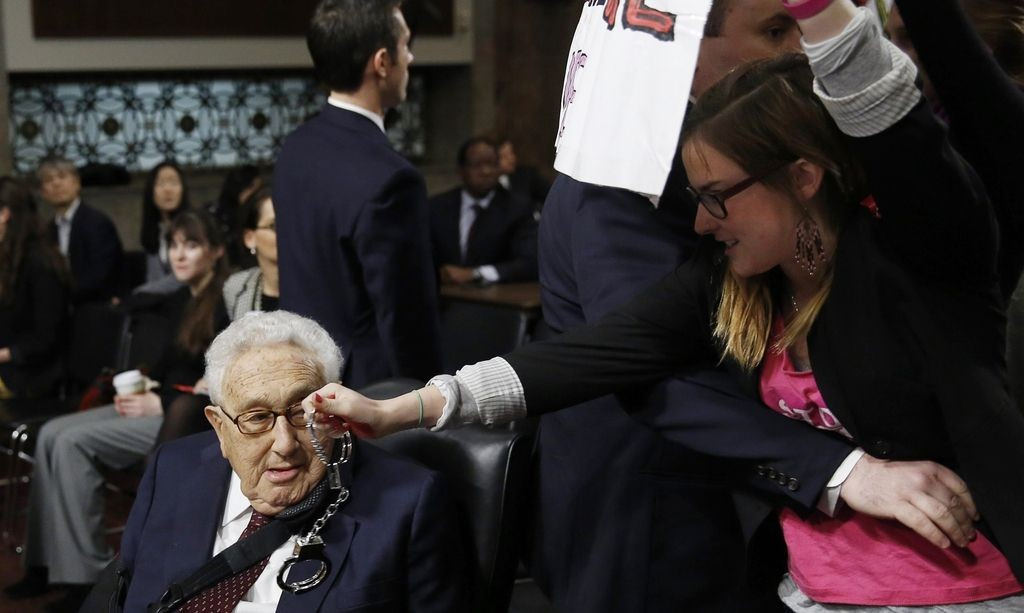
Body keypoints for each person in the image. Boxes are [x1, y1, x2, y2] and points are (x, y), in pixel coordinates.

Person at [306, 1, 1024, 609]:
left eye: (717, 198)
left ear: (802, 177)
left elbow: (904, 122)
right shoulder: (739, 275)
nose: (702, 223)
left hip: (950, 591)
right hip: (806, 587)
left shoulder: (925, 251)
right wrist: (405, 409)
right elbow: (589, 356)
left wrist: (828, 15)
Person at [532, 1, 838, 609]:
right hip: (658, 511)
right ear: (687, 49)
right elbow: (644, 365)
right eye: (775, 31)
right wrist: (834, 467)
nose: (799, 49)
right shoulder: (625, 173)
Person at [113, 310, 467, 612]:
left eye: (303, 412)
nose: (284, 444)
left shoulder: (407, 505)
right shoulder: (172, 469)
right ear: (220, 427)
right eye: (256, 418)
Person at [7, 210, 229, 610]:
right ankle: (42, 565)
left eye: (192, 245)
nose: (179, 255)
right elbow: (168, 366)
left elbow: (209, 386)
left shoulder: (225, 301)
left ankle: (86, 579)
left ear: (215, 251)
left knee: (70, 442)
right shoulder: (183, 297)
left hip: (185, 416)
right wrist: (147, 386)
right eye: (174, 245)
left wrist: (159, 399)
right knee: (51, 434)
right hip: (159, 402)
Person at [274, 0, 442, 389]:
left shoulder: (296, 148)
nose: (410, 57)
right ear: (382, 62)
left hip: (301, 379)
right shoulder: (393, 179)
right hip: (370, 392)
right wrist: (431, 400)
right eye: (405, 45)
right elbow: (406, 320)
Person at [429, 136, 538, 285]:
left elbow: (529, 263)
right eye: (477, 165)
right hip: (442, 293)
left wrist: (476, 274)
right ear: (461, 170)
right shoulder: (436, 207)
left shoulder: (518, 209)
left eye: (492, 164)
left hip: (496, 295)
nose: (486, 171)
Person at [0, 177, 70, 399]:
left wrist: (5, 354)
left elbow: (45, 338)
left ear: (4, 214)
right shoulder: (9, 255)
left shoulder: (39, 262)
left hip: (29, 375)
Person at [39, 157, 123, 305]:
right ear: (43, 192)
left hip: (96, 305)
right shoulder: (47, 230)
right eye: (49, 180)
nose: (56, 184)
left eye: (62, 177)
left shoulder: (97, 222)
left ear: (77, 183)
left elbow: (101, 275)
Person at [223, 186, 279, 319]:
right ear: (250, 238)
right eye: (274, 226)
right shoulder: (236, 288)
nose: (286, 233)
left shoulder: (318, 285)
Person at [136, 159, 191, 294]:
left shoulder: (193, 226)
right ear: (151, 191)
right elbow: (153, 278)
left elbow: (184, 277)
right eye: (161, 184)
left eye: (174, 183)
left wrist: (141, 292)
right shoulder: (155, 229)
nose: (168, 190)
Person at [205, 164, 262, 267]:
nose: (256, 194)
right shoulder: (214, 216)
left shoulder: (257, 216)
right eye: (251, 187)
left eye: (259, 189)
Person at [496, 138, 550, 214]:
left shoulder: (527, 175)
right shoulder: (488, 184)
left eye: (511, 153)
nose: (511, 159)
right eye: (505, 156)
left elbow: (549, 195)